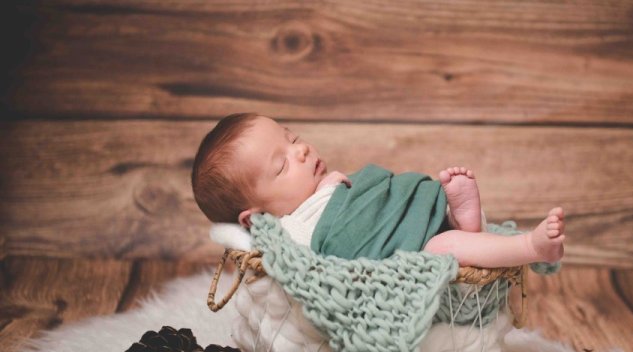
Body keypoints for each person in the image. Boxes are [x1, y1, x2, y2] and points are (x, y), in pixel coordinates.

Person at [191, 113, 565, 268]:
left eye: (293, 139)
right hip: (402, 248)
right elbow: (307, 267)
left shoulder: (324, 185)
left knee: (450, 233)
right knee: (444, 248)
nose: (301, 150)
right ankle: (529, 248)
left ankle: (457, 215)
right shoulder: (289, 233)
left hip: (398, 214)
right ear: (256, 217)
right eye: (282, 164)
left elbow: (371, 196)